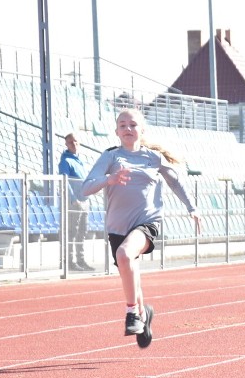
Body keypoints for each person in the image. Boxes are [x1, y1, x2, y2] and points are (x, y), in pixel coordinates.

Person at [82, 108, 201, 348]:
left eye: (133, 124)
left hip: (147, 222)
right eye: (122, 125)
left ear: (141, 130)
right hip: (117, 226)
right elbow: (86, 189)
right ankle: (144, 315)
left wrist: (192, 208)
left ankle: (132, 313)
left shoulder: (153, 158)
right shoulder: (110, 157)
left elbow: (175, 182)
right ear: (116, 131)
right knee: (129, 267)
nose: (128, 128)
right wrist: (109, 179)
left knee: (125, 254)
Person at [58, 132, 94, 271]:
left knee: (82, 231)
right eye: (71, 142)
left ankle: (80, 259)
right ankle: (69, 261)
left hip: (84, 200)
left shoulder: (80, 160)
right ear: (66, 144)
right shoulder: (65, 161)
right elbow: (64, 181)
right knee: (72, 231)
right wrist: (73, 199)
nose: (74, 144)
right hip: (74, 202)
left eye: (76, 142)